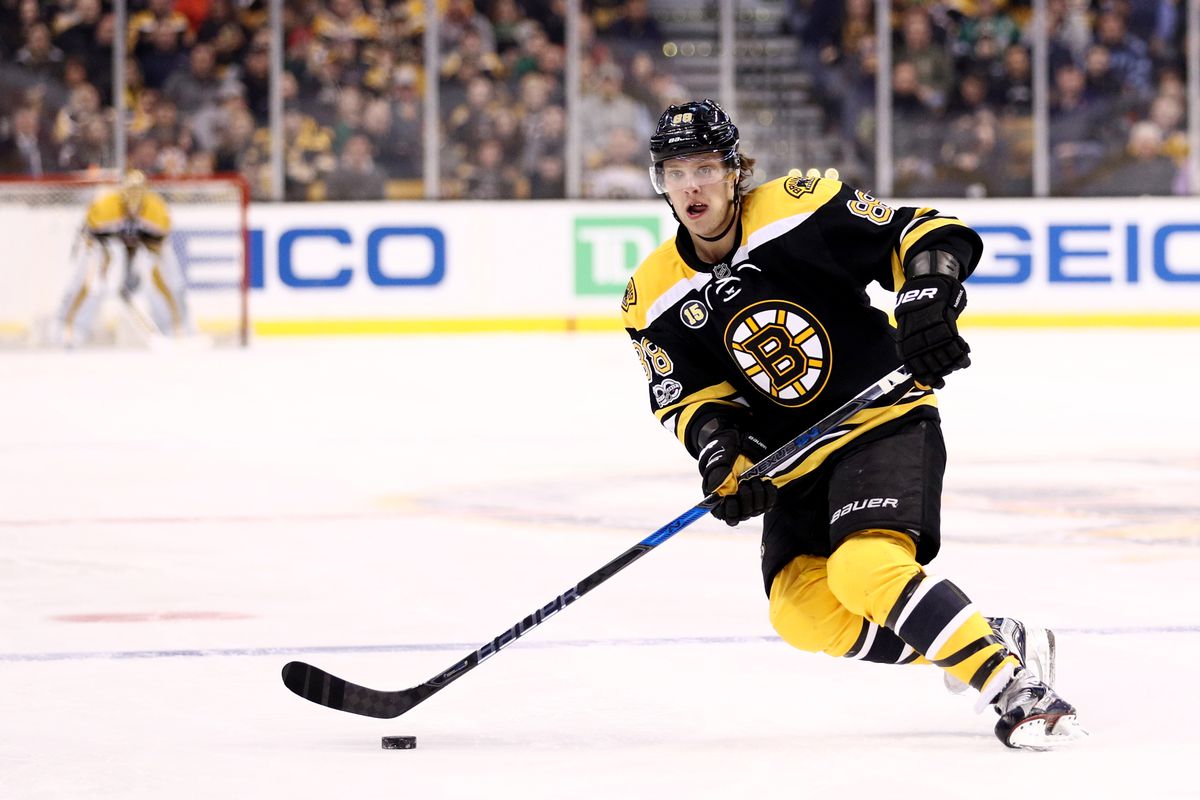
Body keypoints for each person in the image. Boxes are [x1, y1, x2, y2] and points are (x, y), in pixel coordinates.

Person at [620, 99, 1088, 749]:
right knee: (802, 612)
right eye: (675, 172)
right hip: (795, 460)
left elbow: (922, 231)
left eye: (704, 167)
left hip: (882, 420)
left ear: (734, 171)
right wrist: (724, 459)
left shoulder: (798, 208)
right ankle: (984, 635)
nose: (691, 185)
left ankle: (1015, 688)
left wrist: (928, 297)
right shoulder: (653, 294)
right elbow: (694, 399)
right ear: (660, 183)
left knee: (864, 570)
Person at [56, 170, 192, 346]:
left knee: (164, 280)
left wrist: (144, 262)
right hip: (105, 246)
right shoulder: (106, 207)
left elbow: (160, 242)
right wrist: (105, 262)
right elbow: (91, 236)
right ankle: (70, 328)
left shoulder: (156, 210)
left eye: (138, 190)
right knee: (92, 282)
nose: (134, 196)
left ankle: (175, 328)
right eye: (130, 190)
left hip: (142, 247)